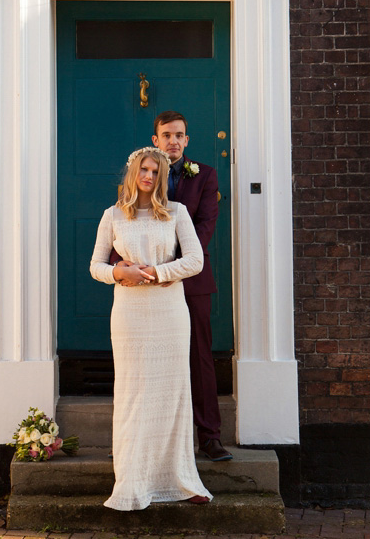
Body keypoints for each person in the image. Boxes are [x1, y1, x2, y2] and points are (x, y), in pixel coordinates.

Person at [91, 147, 212, 510]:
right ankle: (133, 480)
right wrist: (117, 272)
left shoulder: (177, 213)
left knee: (172, 393)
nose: (149, 176)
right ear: (133, 173)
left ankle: (181, 478)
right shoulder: (112, 216)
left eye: (156, 171)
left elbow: (195, 260)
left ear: (163, 177)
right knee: (134, 395)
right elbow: (96, 265)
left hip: (169, 312)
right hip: (129, 315)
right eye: (144, 169)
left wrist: (159, 272)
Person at [113, 110, 232, 462]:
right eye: (166, 135)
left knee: (199, 357)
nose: (173, 141)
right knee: (145, 360)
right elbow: (126, 224)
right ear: (156, 140)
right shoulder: (142, 175)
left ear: (187, 140)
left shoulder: (204, 176)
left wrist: (168, 269)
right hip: (143, 286)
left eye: (179, 135)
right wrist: (131, 266)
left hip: (190, 280)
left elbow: (204, 228)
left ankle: (209, 436)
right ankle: (137, 438)